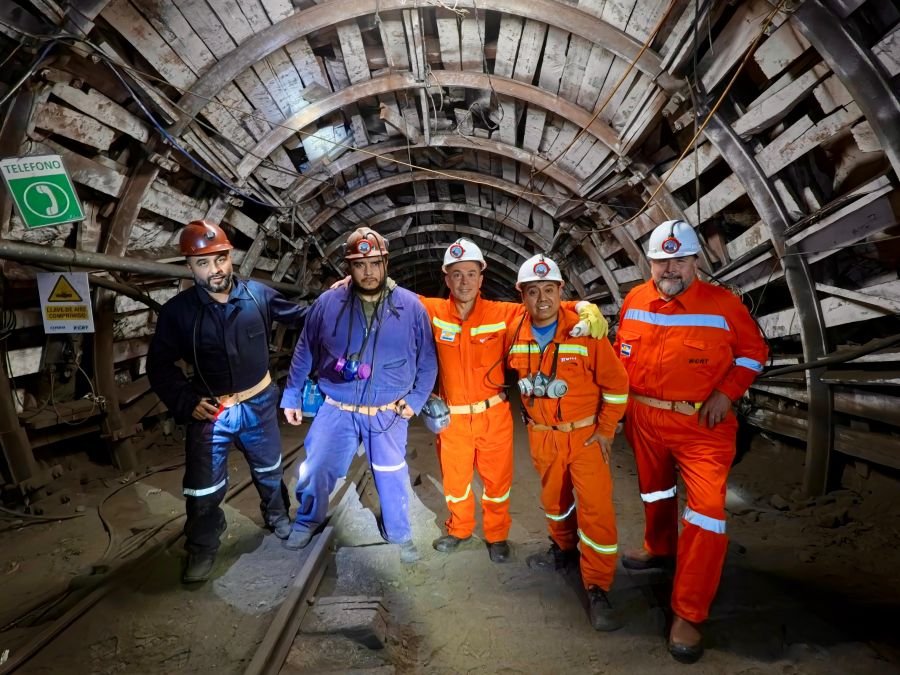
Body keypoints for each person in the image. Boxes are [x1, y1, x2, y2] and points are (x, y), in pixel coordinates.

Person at [614, 219, 768, 663]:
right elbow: (622, 352)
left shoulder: (723, 305)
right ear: (650, 261)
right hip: (644, 416)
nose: (670, 268)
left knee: (707, 515)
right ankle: (659, 546)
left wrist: (726, 392)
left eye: (679, 259)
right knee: (654, 489)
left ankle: (689, 612)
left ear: (695, 260)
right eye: (662, 259)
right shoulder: (635, 299)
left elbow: (753, 353)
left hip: (702, 423)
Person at [417, 239, 609, 563]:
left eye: (471, 273)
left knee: (497, 483)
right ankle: (460, 529)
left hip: (493, 415)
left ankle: (496, 536)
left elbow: (545, 304)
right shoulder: (433, 312)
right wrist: (348, 282)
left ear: (482, 277)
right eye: (457, 274)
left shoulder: (503, 314)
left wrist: (583, 308)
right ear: (446, 277)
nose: (464, 281)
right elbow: (392, 299)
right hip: (454, 419)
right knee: (455, 482)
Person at [147, 219, 306, 584]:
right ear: (190, 266)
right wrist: (185, 401)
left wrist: (341, 296)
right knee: (203, 488)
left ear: (230, 256)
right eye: (203, 263)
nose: (214, 269)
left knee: (269, 470)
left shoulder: (258, 296)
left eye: (219, 259)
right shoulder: (178, 313)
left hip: (259, 404)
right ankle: (202, 547)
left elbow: (303, 317)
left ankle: (279, 517)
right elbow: (159, 365)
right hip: (211, 412)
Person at [280, 227, 437, 563]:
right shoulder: (328, 303)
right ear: (348, 268)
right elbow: (305, 349)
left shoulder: (410, 307)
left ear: (386, 263)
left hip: (388, 409)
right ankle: (307, 521)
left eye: (375, 263)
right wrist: (292, 393)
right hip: (338, 405)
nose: (369, 272)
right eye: (360, 264)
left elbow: (427, 359)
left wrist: (417, 398)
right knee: (317, 466)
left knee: (392, 471)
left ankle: (398, 531)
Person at [506, 254, 629, 631]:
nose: (541, 298)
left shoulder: (585, 332)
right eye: (532, 291)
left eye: (549, 289)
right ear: (521, 296)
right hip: (542, 437)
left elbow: (617, 384)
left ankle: (598, 586)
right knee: (555, 502)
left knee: (595, 512)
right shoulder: (513, 331)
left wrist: (607, 429)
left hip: (585, 437)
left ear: (561, 291)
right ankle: (562, 549)